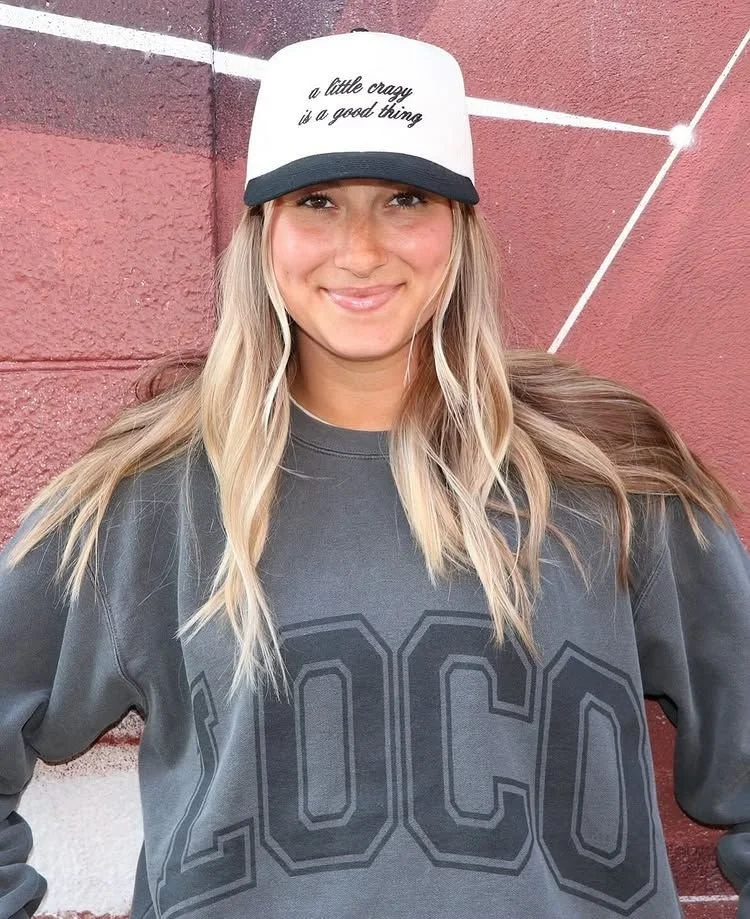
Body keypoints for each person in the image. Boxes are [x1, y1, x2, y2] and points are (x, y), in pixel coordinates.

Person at [0, 28, 748, 919]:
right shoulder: (148, 501)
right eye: (316, 200)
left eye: (404, 198)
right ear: (262, 231)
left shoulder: (608, 477)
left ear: (460, 226)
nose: (360, 249)